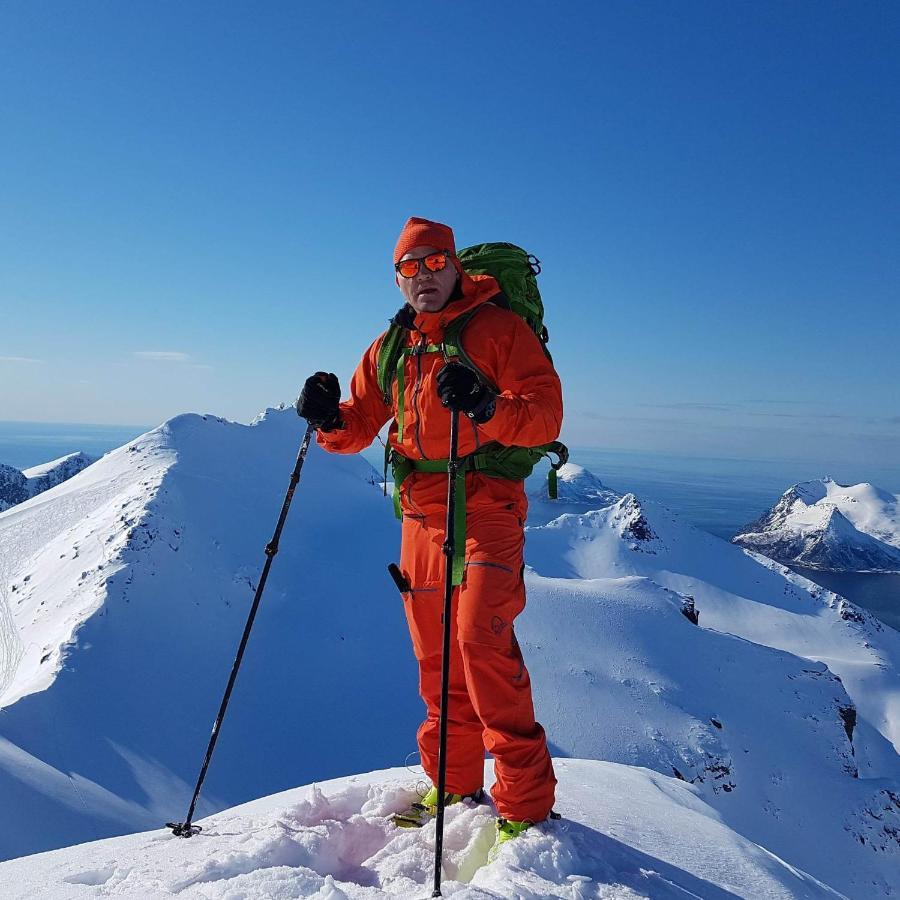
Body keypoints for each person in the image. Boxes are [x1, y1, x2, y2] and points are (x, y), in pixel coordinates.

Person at [296, 216, 562, 857]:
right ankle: (453, 785)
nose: (424, 277)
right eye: (410, 268)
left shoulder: (500, 329)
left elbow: (546, 413)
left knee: (481, 642)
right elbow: (358, 425)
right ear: (398, 276)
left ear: (455, 265)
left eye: (435, 262)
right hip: (419, 514)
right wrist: (328, 417)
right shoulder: (395, 345)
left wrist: (487, 407)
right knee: (438, 656)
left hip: (486, 507)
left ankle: (524, 807)